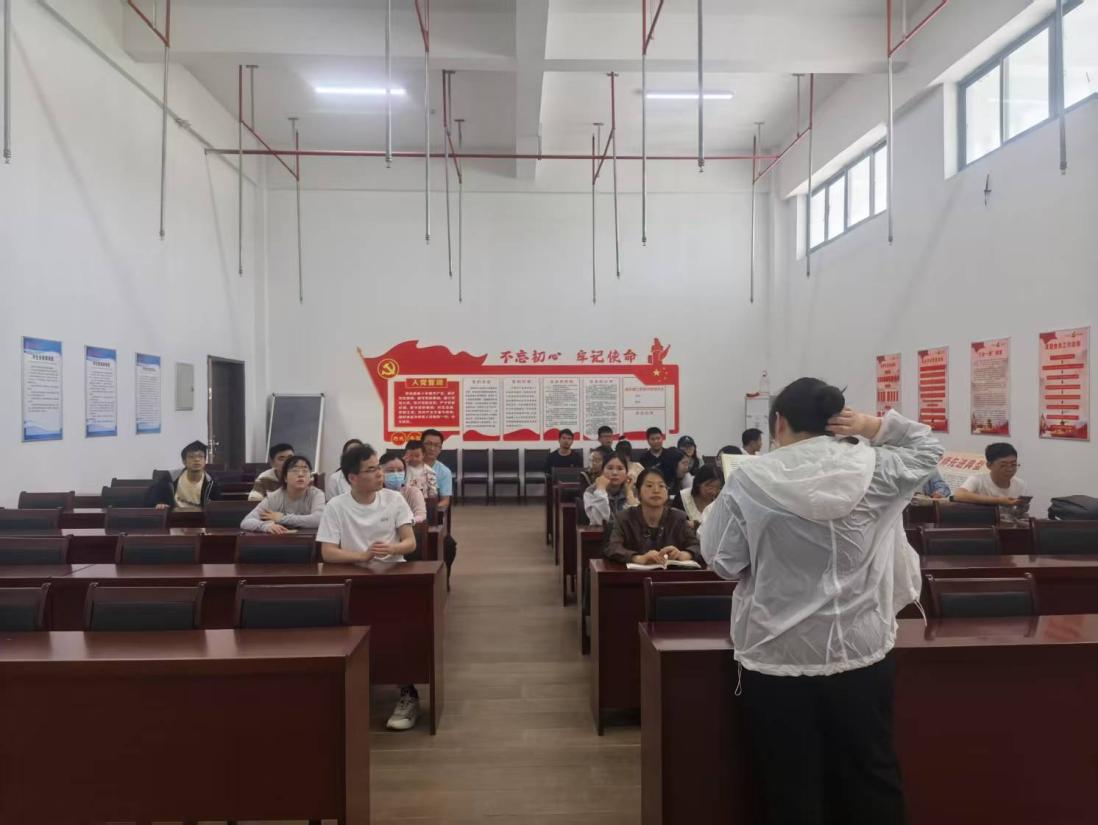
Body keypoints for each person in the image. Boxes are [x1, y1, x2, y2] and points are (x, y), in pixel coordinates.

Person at [701, 377, 942, 825]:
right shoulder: (875, 467)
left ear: (779, 422)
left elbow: (723, 561)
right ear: (835, 420)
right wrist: (871, 426)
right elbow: (928, 448)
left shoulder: (750, 478)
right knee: (872, 775)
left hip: (778, 655)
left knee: (792, 785)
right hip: (860, 652)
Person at [315, 444, 420, 731]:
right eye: (371, 470)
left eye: (378, 468)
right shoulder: (336, 506)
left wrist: (393, 548)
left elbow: (410, 542)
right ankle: (348, 689)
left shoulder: (394, 500)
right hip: (353, 581)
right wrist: (362, 555)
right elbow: (328, 552)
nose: (380, 474)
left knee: (398, 632)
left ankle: (407, 691)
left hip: (391, 577)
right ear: (353, 477)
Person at [605, 468, 701, 566]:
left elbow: (697, 546)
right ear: (637, 493)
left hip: (670, 574)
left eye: (661, 486)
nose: (656, 490)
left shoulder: (678, 518)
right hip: (634, 574)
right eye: (649, 486)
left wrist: (683, 554)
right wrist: (638, 558)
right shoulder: (624, 518)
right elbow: (613, 547)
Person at [240, 455, 325, 534]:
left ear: (310, 477)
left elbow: (319, 519)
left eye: (305, 471)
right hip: (280, 540)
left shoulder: (317, 494)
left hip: (309, 541)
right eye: (295, 470)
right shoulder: (274, 498)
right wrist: (266, 526)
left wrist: (282, 518)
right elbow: (246, 522)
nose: (300, 474)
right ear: (285, 478)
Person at [953, 443, 1028, 519]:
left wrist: (1020, 511)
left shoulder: (1020, 485)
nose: (1010, 469)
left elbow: (1016, 516)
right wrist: (998, 501)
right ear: (989, 465)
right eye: (1003, 465)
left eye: (1013, 464)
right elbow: (958, 495)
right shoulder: (978, 480)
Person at [146, 441, 223, 510]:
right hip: (174, 518)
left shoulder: (211, 482)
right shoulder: (171, 477)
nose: (196, 459)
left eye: (200, 456)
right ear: (184, 461)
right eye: (191, 457)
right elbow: (153, 497)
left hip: (200, 519)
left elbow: (217, 507)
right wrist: (158, 503)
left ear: (205, 460)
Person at [583, 454, 638, 526]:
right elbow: (599, 521)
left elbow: (636, 521)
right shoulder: (591, 491)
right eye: (610, 468)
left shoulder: (633, 490)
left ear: (626, 473)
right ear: (602, 471)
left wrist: (629, 492)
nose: (614, 473)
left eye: (620, 469)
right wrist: (601, 490)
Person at [380, 452, 428, 524]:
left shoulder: (413, 492)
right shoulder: (375, 494)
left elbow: (421, 515)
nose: (396, 474)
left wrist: (405, 523)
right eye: (390, 471)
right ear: (380, 472)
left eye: (400, 470)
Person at [420, 429, 453, 512]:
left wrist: (430, 509)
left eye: (436, 445)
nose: (432, 448)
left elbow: (445, 501)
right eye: (428, 444)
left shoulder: (444, 472)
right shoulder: (409, 466)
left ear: (440, 449)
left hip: (429, 511)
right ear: (421, 445)